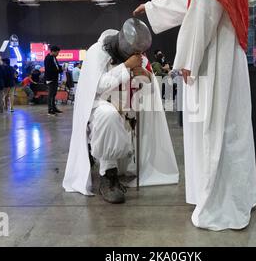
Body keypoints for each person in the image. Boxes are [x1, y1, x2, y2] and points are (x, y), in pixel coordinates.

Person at [133, 0, 256, 231]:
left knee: (213, 130)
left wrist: (188, 57)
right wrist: (154, 8)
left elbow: (205, 2)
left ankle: (219, 205)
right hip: (224, 52)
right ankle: (237, 196)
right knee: (230, 130)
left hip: (213, 55)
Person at [63, 18, 179, 204]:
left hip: (127, 112)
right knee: (108, 114)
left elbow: (147, 89)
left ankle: (116, 163)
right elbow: (98, 86)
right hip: (98, 109)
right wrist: (126, 67)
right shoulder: (97, 53)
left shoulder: (138, 57)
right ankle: (108, 176)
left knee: (119, 122)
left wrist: (146, 76)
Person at [44, 46, 63, 115]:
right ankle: (50, 110)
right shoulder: (48, 58)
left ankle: (54, 108)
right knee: (51, 94)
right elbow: (50, 69)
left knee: (54, 94)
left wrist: (60, 69)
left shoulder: (53, 58)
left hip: (54, 78)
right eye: (57, 52)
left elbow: (56, 67)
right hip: (51, 79)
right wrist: (59, 69)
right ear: (53, 51)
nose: (58, 54)